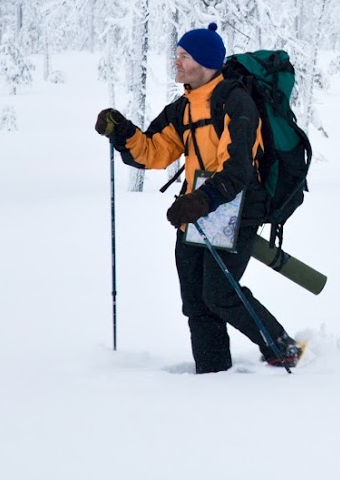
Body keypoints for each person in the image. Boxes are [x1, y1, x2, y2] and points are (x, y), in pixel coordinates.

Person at [94, 23, 302, 373]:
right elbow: (154, 152)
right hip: (199, 204)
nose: (175, 62)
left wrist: (199, 202)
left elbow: (237, 172)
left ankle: (281, 346)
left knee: (219, 294)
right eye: (177, 54)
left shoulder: (237, 103)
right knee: (195, 302)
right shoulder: (186, 106)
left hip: (235, 204)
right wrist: (124, 132)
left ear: (204, 62)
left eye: (183, 56)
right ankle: (212, 372)